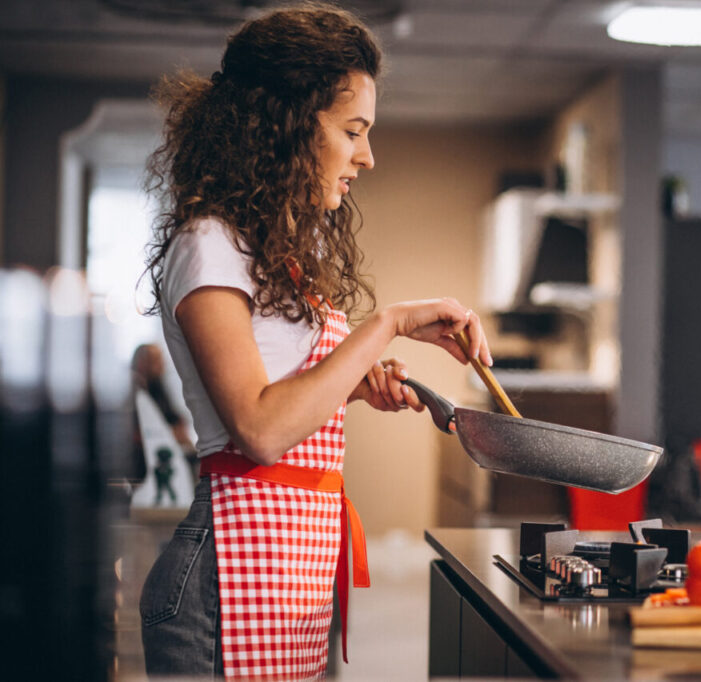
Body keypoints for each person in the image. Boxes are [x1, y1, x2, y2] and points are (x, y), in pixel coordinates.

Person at [137, 5, 492, 679]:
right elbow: (260, 429)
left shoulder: (274, 251)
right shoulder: (208, 244)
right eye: (352, 130)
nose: (368, 155)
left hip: (290, 562)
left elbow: (280, 392)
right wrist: (385, 324)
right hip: (225, 575)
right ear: (285, 125)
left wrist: (351, 385)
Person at [129, 343, 198, 486]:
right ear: (142, 364)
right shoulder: (140, 395)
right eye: (156, 359)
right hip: (153, 459)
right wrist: (174, 434)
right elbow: (139, 434)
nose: (162, 364)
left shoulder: (159, 388)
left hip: (172, 449)